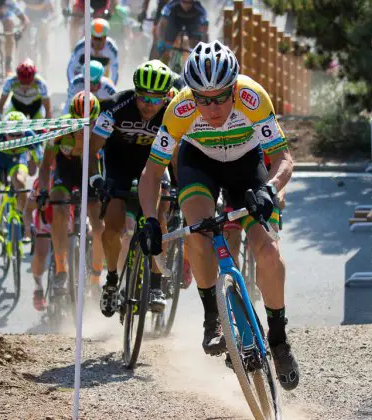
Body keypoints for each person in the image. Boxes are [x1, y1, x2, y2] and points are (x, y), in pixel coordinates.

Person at [137, 41, 299, 391]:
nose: (211, 108)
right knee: (197, 231)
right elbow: (151, 173)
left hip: (246, 166)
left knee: (268, 252)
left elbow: (283, 158)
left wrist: (270, 189)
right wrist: (150, 219)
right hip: (200, 165)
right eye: (202, 99)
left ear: (234, 88)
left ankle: (279, 338)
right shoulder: (179, 109)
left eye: (220, 98)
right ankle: (213, 316)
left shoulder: (253, 98)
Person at [89, 60, 176, 317]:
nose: (149, 105)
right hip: (119, 166)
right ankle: (113, 281)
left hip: (153, 166)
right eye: (143, 98)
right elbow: (92, 150)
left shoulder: (172, 113)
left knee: (159, 219)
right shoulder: (115, 107)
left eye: (155, 99)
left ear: (166, 97)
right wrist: (96, 179)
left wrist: (180, 187)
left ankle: (156, 284)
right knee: (113, 226)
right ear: (135, 93)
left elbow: (177, 156)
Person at [36, 92, 105, 295]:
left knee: (99, 226)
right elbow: (45, 164)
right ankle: (60, 269)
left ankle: (95, 276)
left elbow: (108, 163)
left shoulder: (101, 130)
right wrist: (42, 190)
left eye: (89, 122)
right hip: (64, 172)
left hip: (89, 171)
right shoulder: (59, 127)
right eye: (78, 121)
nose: (83, 127)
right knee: (59, 209)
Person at [0, 111, 36, 245]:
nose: (15, 139)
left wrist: (35, 162)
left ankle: (23, 220)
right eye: (11, 135)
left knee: (19, 182)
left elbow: (36, 164)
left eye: (19, 135)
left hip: (17, 160)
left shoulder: (30, 135)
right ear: (4, 132)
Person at [27, 174, 75, 310]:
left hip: (65, 219)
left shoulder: (72, 176)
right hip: (45, 221)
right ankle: (38, 288)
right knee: (41, 254)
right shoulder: (40, 183)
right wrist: (26, 226)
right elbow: (28, 208)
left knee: (74, 247)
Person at [66, 18, 120, 86]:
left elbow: (115, 71)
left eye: (101, 39)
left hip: (101, 78)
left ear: (106, 37)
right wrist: (72, 85)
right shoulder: (81, 46)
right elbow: (70, 68)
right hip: (82, 76)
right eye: (95, 38)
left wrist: (112, 88)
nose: (98, 42)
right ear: (91, 36)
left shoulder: (112, 49)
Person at [19, 0, 56, 70]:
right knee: (23, 38)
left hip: (43, 18)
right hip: (29, 17)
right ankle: (22, 62)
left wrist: (50, 19)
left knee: (43, 42)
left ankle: (44, 67)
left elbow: (51, 11)